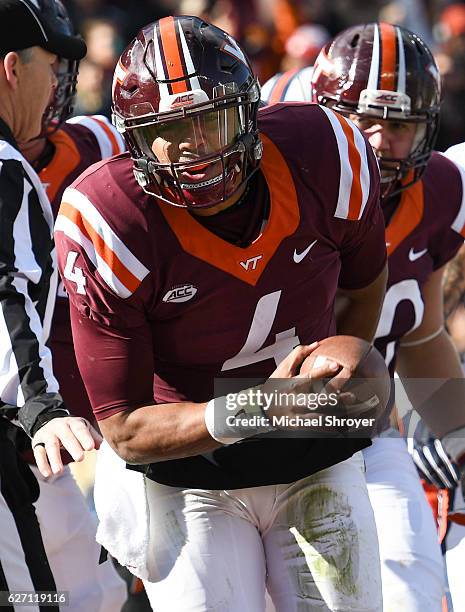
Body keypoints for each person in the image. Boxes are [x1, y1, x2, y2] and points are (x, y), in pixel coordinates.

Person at [54, 15, 389, 612]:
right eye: (171, 129)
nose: (195, 147)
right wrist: (266, 405)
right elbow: (126, 429)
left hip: (309, 454)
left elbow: (365, 286)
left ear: (248, 112)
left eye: (210, 119)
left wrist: (332, 386)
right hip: (185, 471)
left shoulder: (328, 154)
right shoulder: (111, 219)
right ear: (133, 139)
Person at [306, 22, 465, 610]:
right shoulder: (276, 182)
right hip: (251, 425)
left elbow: (418, 329)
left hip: (362, 429)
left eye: (398, 126)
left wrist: (459, 435)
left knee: (409, 585)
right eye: (362, 122)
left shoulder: (441, 190)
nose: (377, 142)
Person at [12, 2, 128, 609]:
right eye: (52, 63)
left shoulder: (101, 145)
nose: (62, 80)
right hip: (33, 419)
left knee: (99, 585)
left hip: (97, 414)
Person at [0, 0, 100, 603]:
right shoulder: (6, 167)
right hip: (15, 438)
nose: (59, 82)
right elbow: (7, 287)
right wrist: (41, 405)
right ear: (13, 67)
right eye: (52, 64)